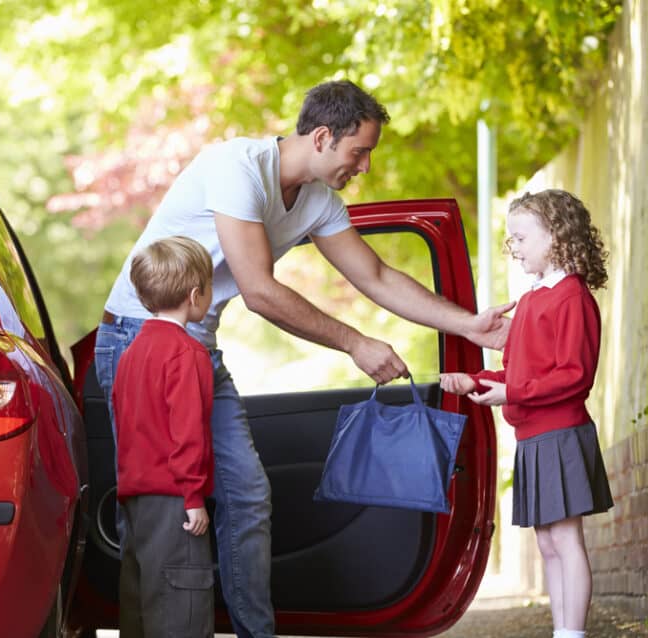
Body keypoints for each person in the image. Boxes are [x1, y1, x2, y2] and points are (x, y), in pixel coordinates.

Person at [96, 79, 514, 638]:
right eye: (359, 151)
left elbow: (377, 276)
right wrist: (355, 343)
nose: (364, 166)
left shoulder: (318, 202)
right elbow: (259, 290)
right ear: (321, 137)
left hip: (198, 346)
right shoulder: (236, 168)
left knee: (247, 495)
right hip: (139, 340)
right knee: (156, 509)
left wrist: (470, 324)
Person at [440, 189, 614, 638]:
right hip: (533, 437)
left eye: (520, 238)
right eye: (511, 239)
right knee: (547, 540)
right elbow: (518, 371)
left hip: (561, 433)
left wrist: (510, 390)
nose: (513, 248)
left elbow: (574, 376)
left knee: (566, 539)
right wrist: (475, 380)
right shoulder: (534, 298)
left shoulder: (571, 296)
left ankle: (571, 633)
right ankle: (563, 629)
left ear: (555, 236)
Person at [111, 236, 215, 638]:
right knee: (181, 610)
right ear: (195, 296)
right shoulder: (187, 354)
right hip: (175, 502)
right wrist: (193, 498)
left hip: (135, 500)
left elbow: (127, 426)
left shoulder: (131, 355)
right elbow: (187, 432)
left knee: (141, 605)